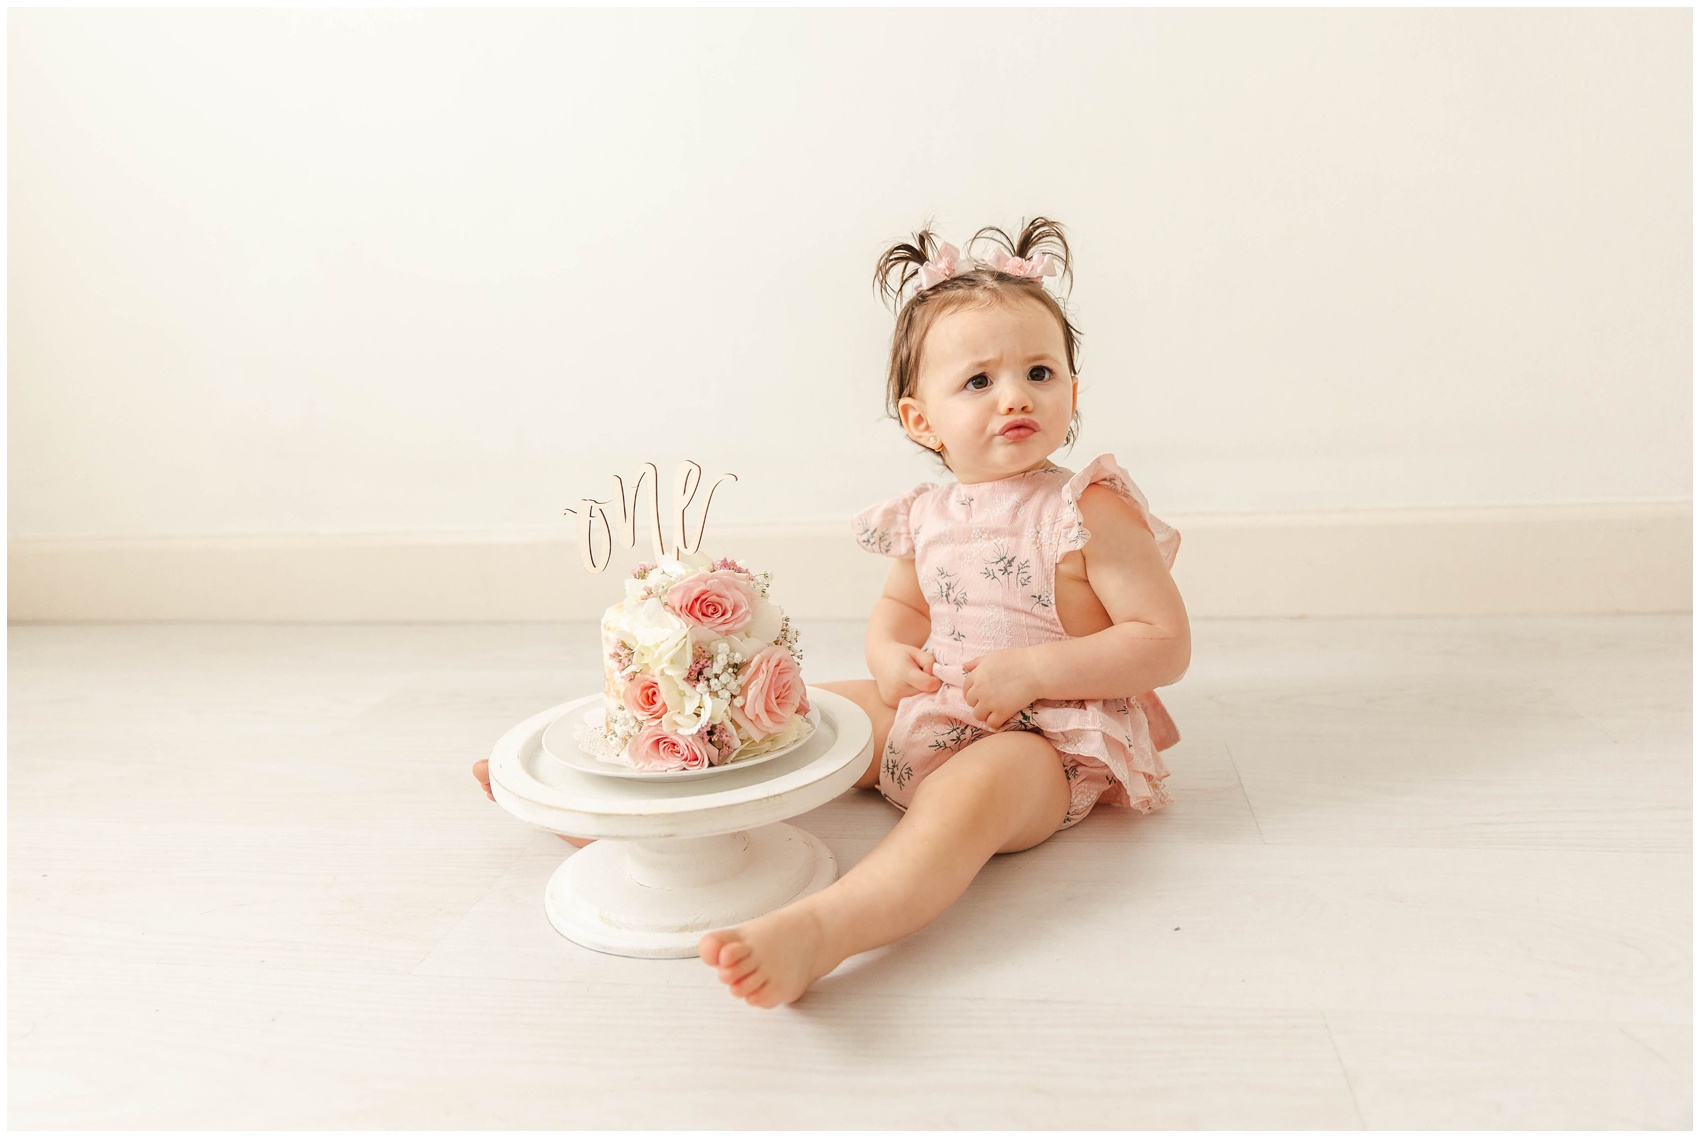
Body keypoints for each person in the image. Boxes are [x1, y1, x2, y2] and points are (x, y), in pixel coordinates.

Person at [476, 216, 1190, 1008]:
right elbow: (897, 612)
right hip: (937, 699)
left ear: (1073, 390)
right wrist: (889, 658)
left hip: (1049, 738)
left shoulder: (1086, 507)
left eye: (1040, 372)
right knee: (797, 721)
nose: (1016, 396)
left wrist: (1034, 670)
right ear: (923, 420)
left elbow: (1162, 644)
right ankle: (632, 823)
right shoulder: (926, 514)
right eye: (979, 382)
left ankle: (827, 930)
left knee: (966, 800)